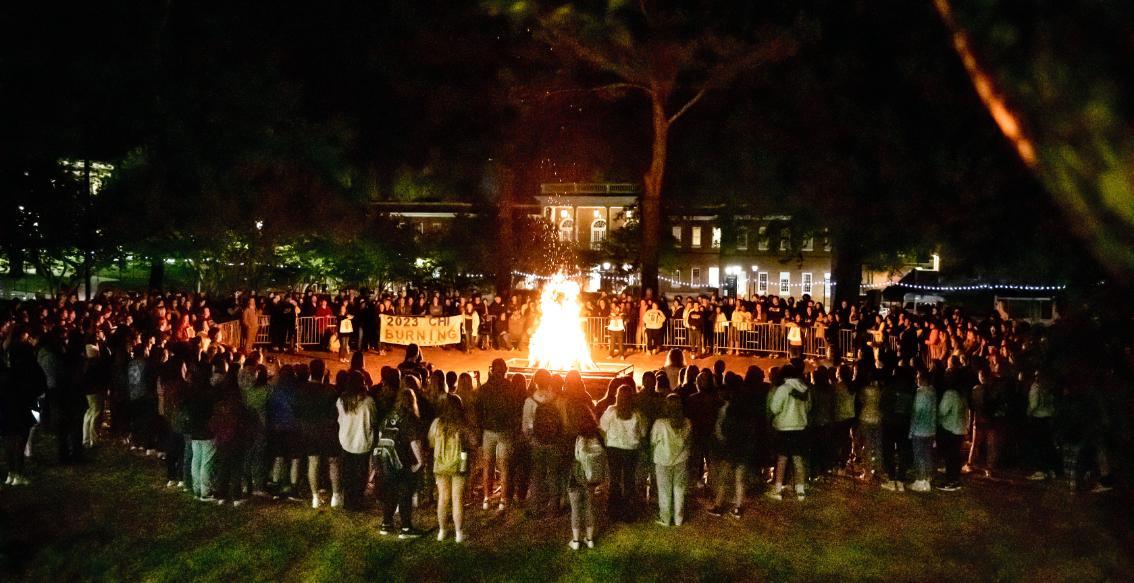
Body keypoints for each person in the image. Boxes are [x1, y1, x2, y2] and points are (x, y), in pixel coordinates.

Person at [377, 385, 426, 538]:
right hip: (401, 458)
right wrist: (420, 461)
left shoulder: (390, 416)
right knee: (405, 492)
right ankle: (406, 528)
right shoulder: (410, 418)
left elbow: (380, 434)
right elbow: (414, 442)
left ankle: (386, 524)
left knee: (390, 491)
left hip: (384, 457)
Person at [473, 359, 520, 511]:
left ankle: (486, 498)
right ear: (505, 370)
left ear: (492, 370)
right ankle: (503, 500)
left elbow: (478, 410)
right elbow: (516, 409)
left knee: (488, 465)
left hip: (489, 431)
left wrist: (480, 428)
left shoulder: (485, 388)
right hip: (505, 431)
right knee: (505, 467)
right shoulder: (511, 387)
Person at [428, 394, 472, 542]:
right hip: (459, 464)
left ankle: (442, 531)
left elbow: (431, 442)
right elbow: (473, 440)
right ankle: (459, 533)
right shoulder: (462, 423)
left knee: (443, 497)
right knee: (457, 498)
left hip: (440, 465)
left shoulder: (437, 423)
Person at [522, 369, 566, 518]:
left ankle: (536, 508)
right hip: (554, 443)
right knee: (554, 475)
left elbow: (526, 425)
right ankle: (553, 509)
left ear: (535, 381)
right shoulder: (558, 399)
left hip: (537, 443)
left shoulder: (530, 401)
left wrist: (531, 439)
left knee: (537, 476)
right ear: (549, 382)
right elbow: (563, 423)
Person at [599, 383, 645, 522]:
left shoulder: (611, 412)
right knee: (629, 480)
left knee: (615, 480)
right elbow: (643, 432)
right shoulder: (637, 414)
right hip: (631, 450)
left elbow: (602, 427)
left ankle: (613, 510)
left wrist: (607, 440)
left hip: (614, 449)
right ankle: (629, 512)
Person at [766, 363, 810, 501]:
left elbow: (774, 408)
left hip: (784, 427)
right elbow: (809, 407)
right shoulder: (805, 389)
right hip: (800, 427)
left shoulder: (783, 388)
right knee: (798, 459)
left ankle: (778, 490)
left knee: (782, 459)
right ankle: (800, 491)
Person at [336, 370, 377, 510]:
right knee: (360, 474)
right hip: (362, 442)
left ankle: (348, 501)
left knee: (348, 473)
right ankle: (358, 501)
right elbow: (373, 420)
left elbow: (340, 419)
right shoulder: (368, 402)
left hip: (346, 441)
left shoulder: (342, 401)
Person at [652, 394, 691, 526]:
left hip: (663, 459)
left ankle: (665, 518)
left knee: (664, 490)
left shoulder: (660, 423)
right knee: (679, 489)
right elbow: (688, 441)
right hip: (681, 459)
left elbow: (653, 440)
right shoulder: (687, 422)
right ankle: (679, 518)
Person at [567, 408, 602, 550]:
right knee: (589, 508)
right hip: (592, 478)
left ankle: (575, 541)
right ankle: (590, 539)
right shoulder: (598, 436)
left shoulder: (574, 436)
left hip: (576, 477)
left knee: (575, 509)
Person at [937, 372, 968, 491]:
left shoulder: (950, 394)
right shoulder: (962, 394)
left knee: (950, 456)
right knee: (955, 455)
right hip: (960, 428)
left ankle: (951, 481)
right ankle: (955, 478)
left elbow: (942, 411)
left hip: (950, 428)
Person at [908, 370, 937, 492]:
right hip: (930, 430)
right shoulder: (932, 392)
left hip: (920, 430)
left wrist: (911, 430)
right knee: (927, 455)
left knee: (919, 456)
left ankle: (920, 480)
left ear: (923, 379)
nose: (917, 380)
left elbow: (917, 412)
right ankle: (927, 480)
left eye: (918, 377)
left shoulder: (920, 393)